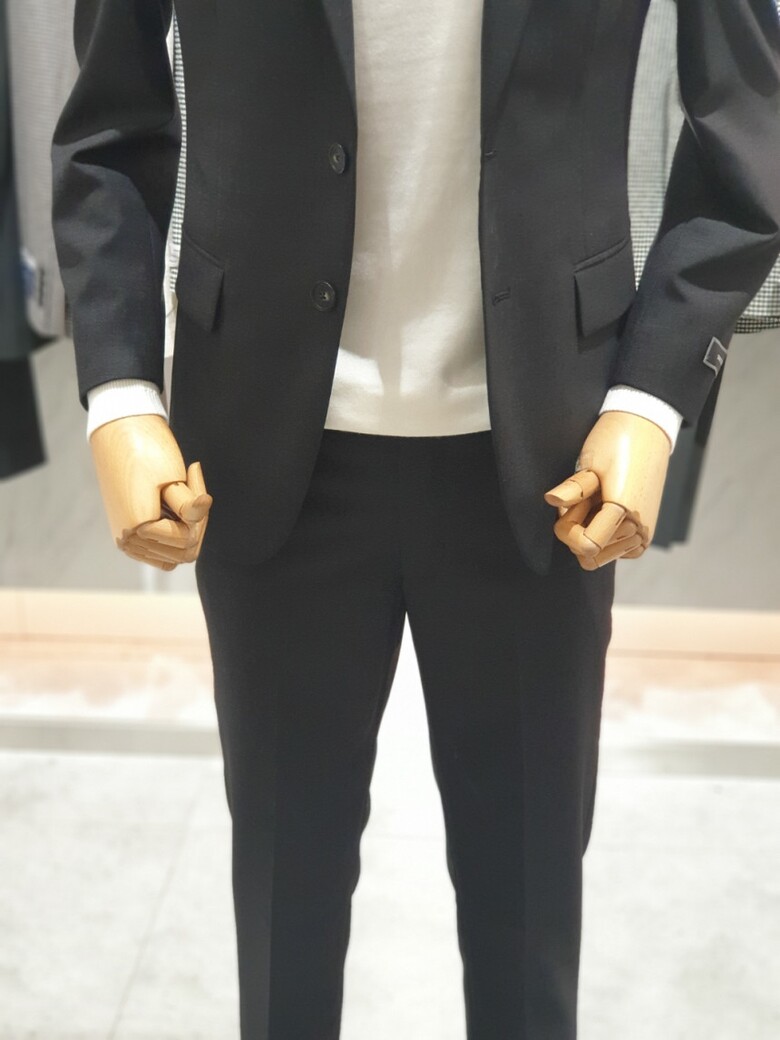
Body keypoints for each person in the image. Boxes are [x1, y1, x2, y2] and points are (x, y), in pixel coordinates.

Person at [50, 1, 780, 1036]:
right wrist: (121, 391)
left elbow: (751, 122)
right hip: (264, 446)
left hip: (546, 460)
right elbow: (107, 125)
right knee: (284, 921)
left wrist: (651, 398)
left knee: (527, 928)